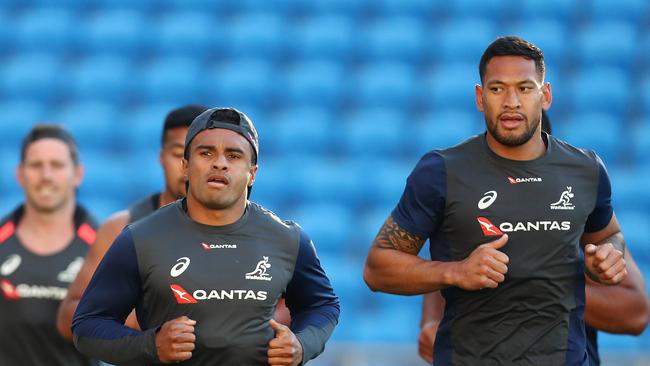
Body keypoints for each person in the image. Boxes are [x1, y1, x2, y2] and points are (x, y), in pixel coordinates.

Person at [363, 36, 628, 365]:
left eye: (525, 88)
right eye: (497, 88)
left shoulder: (585, 169)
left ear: (545, 96)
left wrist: (609, 256)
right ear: (479, 97)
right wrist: (456, 272)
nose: (511, 101)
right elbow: (377, 268)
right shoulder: (441, 170)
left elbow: (608, 236)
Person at [72, 107, 339, 365]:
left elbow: (322, 305)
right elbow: (87, 327)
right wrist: (150, 345)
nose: (220, 163)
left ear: (252, 174)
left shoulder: (287, 239)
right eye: (206, 153)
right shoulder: (141, 238)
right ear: (186, 167)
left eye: (234, 155)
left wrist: (302, 345)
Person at [416, 111, 649, 365]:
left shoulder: (575, 210)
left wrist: (544, 283)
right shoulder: (472, 209)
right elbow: (445, 263)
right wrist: (431, 322)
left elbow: (636, 313)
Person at [57, 104, 209, 340]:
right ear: (162, 158)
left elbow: (282, 305)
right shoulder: (121, 228)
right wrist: (127, 319)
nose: (186, 167)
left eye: (201, 154)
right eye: (179, 153)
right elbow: (69, 317)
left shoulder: (251, 230)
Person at [0, 124, 98, 365]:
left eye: (57, 165)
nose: (46, 176)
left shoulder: (102, 247)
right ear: (20, 174)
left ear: (78, 174)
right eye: (36, 165)